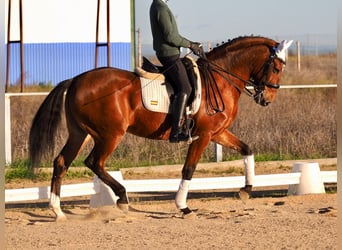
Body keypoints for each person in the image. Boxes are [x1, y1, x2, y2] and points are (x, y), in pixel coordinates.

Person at [150, 0, 203, 143]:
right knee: (185, 87)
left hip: (170, 53)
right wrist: (191, 45)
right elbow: (170, 37)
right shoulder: (160, 8)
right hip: (169, 55)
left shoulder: (159, 6)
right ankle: (175, 131)